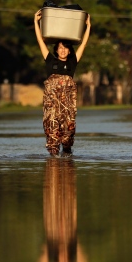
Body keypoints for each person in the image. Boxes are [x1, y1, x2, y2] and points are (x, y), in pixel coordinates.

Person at [34, 9, 91, 157]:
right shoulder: (50, 60)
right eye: (60, 48)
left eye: (65, 48)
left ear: (69, 50)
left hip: (68, 106)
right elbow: (40, 41)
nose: (63, 50)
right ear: (56, 50)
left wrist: (88, 26)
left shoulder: (73, 62)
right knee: (52, 129)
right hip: (52, 104)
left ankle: (67, 153)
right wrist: (36, 22)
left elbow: (83, 44)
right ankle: (53, 159)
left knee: (68, 131)